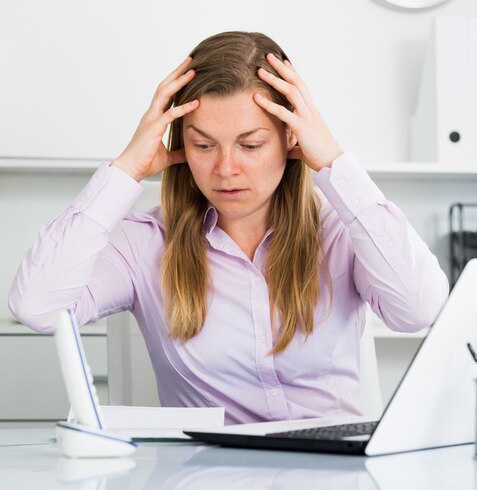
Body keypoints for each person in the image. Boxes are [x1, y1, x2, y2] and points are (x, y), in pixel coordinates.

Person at [8, 31, 449, 425]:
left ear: (293, 137)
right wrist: (126, 170)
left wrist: (334, 163)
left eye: (250, 144)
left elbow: (419, 309)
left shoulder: (341, 233)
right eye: (203, 145)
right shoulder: (144, 242)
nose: (225, 169)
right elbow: (37, 308)